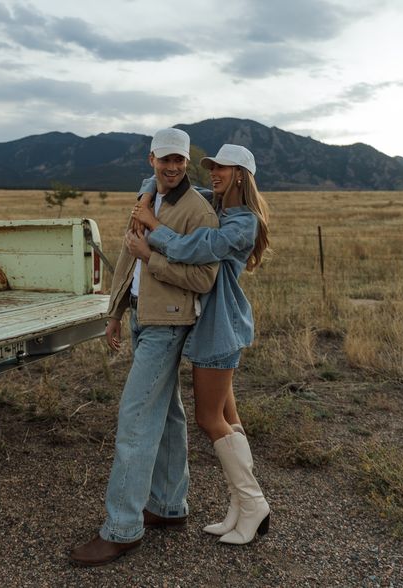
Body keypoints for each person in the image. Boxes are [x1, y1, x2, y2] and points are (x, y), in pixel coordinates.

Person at [69, 128, 219, 567]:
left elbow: (203, 279)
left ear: (187, 162)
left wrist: (152, 254)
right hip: (141, 317)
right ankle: (170, 506)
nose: (172, 167)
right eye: (164, 159)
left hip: (169, 324)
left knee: (135, 421)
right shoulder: (146, 197)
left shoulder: (198, 210)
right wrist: (115, 312)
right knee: (167, 415)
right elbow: (127, 256)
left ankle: (122, 529)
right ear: (151, 158)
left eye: (179, 161)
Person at [128, 144, 271, 545]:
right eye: (211, 168)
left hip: (219, 325)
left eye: (222, 169)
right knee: (228, 419)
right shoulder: (216, 202)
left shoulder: (244, 222)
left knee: (209, 420)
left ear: (241, 174)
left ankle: (254, 502)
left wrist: (153, 227)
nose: (214, 174)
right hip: (209, 323)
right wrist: (145, 197)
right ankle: (241, 506)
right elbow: (161, 180)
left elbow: (197, 249)